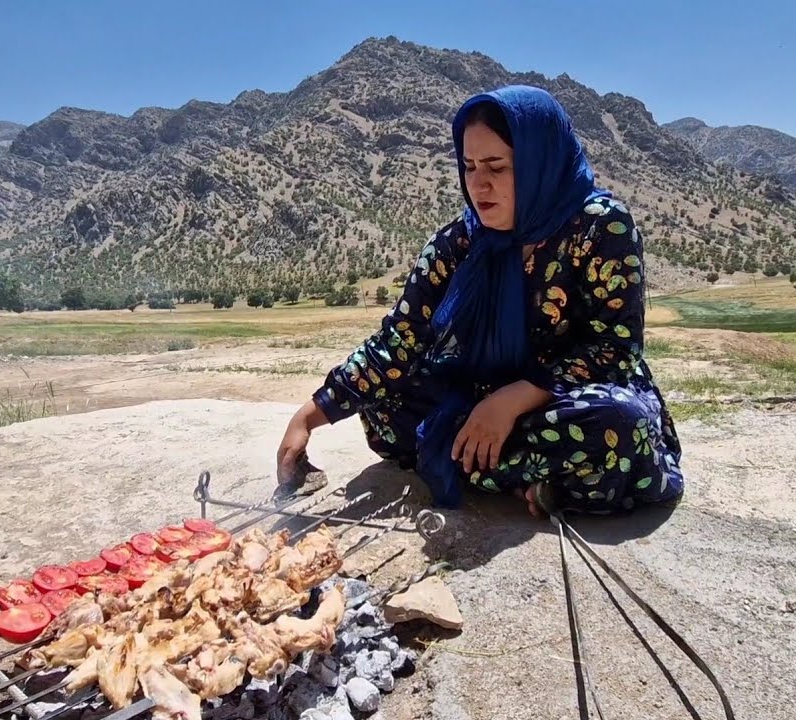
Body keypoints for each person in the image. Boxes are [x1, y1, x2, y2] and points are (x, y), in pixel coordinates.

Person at [276, 85, 684, 516]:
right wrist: (311, 414)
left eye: (497, 167)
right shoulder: (460, 241)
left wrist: (513, 400)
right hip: (475, 396)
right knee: (383, 403)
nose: (478, 184)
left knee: (617, 424)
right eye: (469, 166)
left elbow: (615, 350)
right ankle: (535, 479)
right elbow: (400, 339)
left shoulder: (602, 229)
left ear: (537, 163)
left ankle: (483, 465)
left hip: (562, 400)